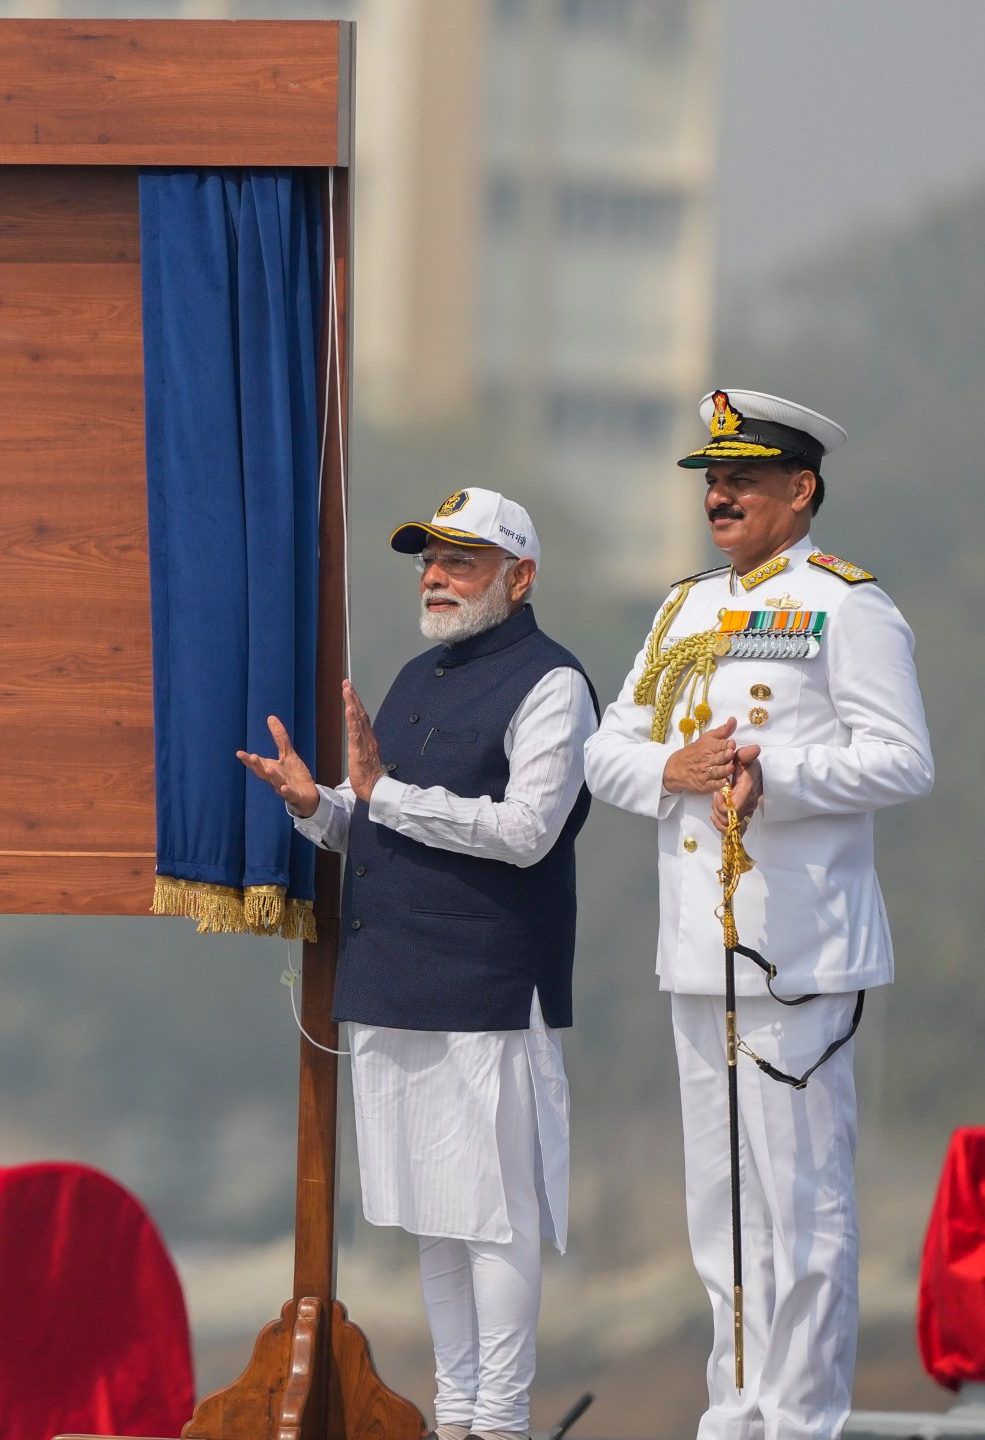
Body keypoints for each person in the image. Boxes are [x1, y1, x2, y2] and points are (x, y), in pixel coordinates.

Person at [585, 389, 932, 1440]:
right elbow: (607, 747)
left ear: (800, 490)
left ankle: (800, 1418)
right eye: (710, 480)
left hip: (798, 949)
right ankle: (732, 1410)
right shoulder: (682, 606)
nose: (719, 495)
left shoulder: (845, 604)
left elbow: (903, 759)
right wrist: (670, 767)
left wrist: (770, 771)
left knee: (802, 1202)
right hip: (698, 947)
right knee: (720, 1210)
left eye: (740, 479)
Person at [239, 488, 592, 1440]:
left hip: (484, 982)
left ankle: (504, 1420)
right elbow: (386, 818)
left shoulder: (553, 683)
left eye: (461, 562)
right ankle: (459, 1411)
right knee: (437, 1215)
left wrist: (383, 795)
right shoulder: (415, 676)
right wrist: (318, 807)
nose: (434, 576)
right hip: (396, 978)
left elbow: (525, 832)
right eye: (428, 560)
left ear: (520, 579)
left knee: (498, 1218)